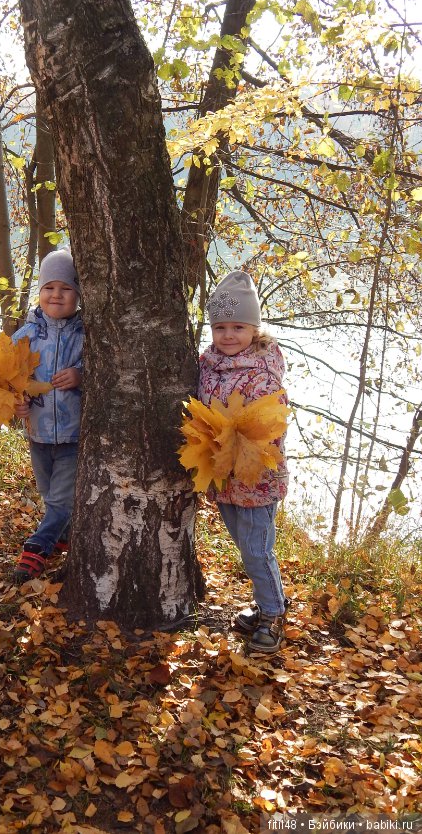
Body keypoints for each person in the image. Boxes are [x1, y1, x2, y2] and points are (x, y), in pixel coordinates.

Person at [199, 270, 290, 653]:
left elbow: (270, 426)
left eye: (238, 326)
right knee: (245, 545)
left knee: (256, 549)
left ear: (254, 327)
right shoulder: (207, 364)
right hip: (223, 476)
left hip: (256, 478)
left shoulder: (263, 372)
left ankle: (273, 614)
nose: (229, 335)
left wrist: (237, 446)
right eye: (220, 327)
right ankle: (269, 601)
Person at [11, 249, 84, 584]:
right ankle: (63, 535)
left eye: (65, 289)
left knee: (60, 498)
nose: (56, 295)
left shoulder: (85, 333)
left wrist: (81, 375)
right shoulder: (26, 336)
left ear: (78, 295)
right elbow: (8, 382)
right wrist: (16, 404)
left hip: (73, 433)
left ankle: (36, 550)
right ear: (39, 293)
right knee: (48, 493)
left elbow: (106, 371)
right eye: (49, 288)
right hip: (38, 432)